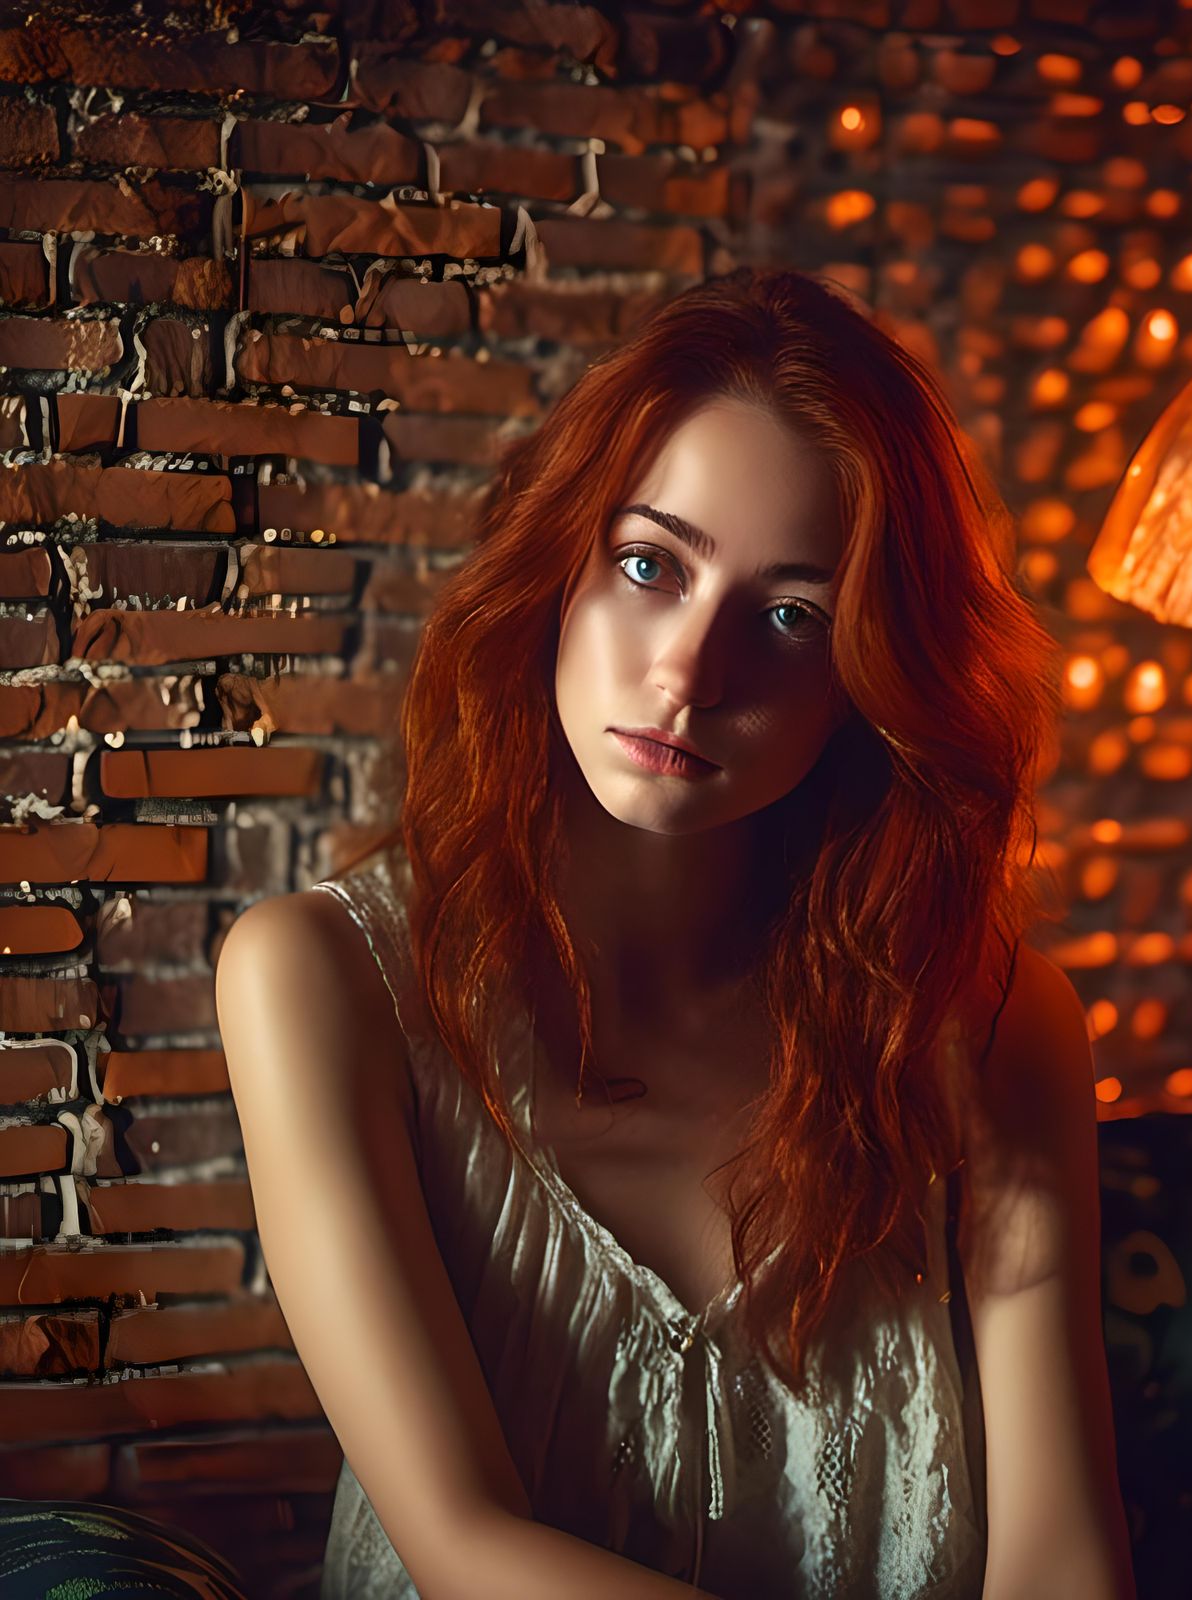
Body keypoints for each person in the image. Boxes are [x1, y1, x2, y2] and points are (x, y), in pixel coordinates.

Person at [215, 265, 1137, 1600]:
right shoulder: (322, 983)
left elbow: (1062, 1567)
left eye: (788, 618)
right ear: (556, 571)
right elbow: (464, 1549)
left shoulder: (987, 1027)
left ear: (870, 677)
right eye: (651, 564)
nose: (689, 676)